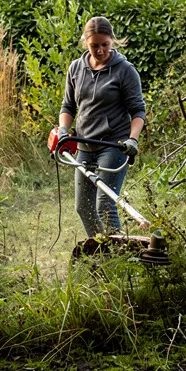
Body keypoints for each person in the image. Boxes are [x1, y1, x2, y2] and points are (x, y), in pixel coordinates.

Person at [58, 16, 146, 237]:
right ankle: (102, 249)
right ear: (85, 43)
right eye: (94, 45)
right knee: (83, 207)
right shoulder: (76, 68)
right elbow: (68, 106)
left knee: (105, 205)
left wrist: (133, 140)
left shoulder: (125, 71)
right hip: (84, 145)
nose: (100, 50)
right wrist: (63, 131)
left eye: (105, 44)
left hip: (114, 145)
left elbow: (138, 111)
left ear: (112, 40)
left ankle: (121, 252)